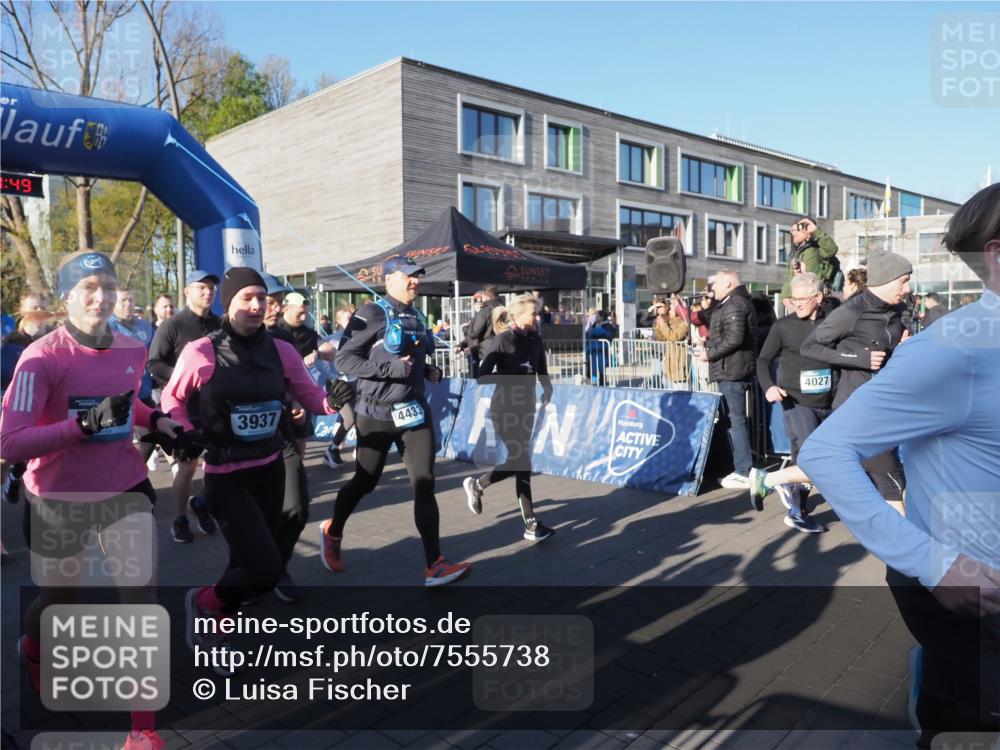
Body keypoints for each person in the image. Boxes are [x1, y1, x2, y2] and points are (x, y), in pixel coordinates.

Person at [799, 182, 1000, 749]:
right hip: (977, 600)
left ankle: (934, 689)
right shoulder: (955, 349)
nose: (907, 285)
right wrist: (931, 564)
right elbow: (824, 452)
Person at [1, 251, 183, 750]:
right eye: (88, 288)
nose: (101, 297)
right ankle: (34, 647)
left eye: (106, 285)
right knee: (62, 599)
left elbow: (130, 405)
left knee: (141, 599)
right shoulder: (41, 358)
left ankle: (142, 730)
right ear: (66, 299)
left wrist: (159, 421)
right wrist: (81, 426)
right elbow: (10, 442)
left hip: (124, 486)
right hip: (58, 496)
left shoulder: (131, 347)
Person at [161, 268, 352, 651]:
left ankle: (218, 623)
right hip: (225, 474)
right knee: (264, 569)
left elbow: (310, 395)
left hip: (269, 468)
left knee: (247, 557)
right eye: (245, 298)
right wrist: (182, 430)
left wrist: (333, 400)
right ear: (228, 303)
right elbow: (172, 400)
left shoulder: (281, 351)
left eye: (260, 298)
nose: (254, 305)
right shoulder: (201, 351)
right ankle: (202, 602)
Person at [319, 256, 470, 587]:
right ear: (389, 280)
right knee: (366, 481)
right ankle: (333, 530)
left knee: (425, 482)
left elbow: (416, 358)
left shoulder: (416, 315)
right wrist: (390, 370)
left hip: (414, 412)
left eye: (417, 276)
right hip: (374, 413)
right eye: (409, 276)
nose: (415, 281)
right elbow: (344, 358)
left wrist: (429, 370)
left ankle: (434, 564)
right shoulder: (371, 313)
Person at [800, 248, 912, 515]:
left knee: (838, 463)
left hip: (884, 401)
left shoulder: (898, 309)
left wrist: (905, 347)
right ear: (885, 280)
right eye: (903, 281)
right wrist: (858, 357)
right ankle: (903, 551)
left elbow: (889, 353)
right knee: (892, 482)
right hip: (857, 405)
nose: (908, 288)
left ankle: (769, 480)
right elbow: (810, 346)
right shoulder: (851, 311)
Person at [462, 295, 555, 541]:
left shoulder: (535, 338)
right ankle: (530, 524)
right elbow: (482, 377)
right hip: (504, 409)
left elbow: (541, 368)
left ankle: (479, 485)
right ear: (518, 316)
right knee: (521, 461)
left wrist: (547, 389)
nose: (537, 317)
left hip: (526, 408)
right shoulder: (502, 341)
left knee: (521, 463)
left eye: (538, 313)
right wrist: (514, 374)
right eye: (533, 314)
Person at [748, 273, 832, 533]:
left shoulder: (833, 323)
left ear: (818, 298)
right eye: (793, 299)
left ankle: (797, 511)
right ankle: (774, 481)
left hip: (829, 402)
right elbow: (762, 360)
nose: (797, 304)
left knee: (802, 459)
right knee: (814, 457)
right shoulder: (783, 326)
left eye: (803, 299)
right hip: (795, 402)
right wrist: (769, 386)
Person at [147, 269, 221, 543]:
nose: (208, 291)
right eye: (201, 287)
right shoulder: (172, 325)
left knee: (222, 463)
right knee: (188, 466)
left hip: (215, 407)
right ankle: (180, 518)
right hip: (183, 405)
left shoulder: (221, 324)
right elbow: (153, 363)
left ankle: (200, 503)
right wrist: (184, 379)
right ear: (187, 292)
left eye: (211, 287)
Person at [693, 270, 758, 488]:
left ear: (729, 283)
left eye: (716, 284)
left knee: (736, 420)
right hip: (730, 369)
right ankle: (740, 466)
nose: (713, 289)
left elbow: (734, 338)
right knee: (733, 420)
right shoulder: (731, 302)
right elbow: (720, 329)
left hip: (733, 371)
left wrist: (709, 354)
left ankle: (743, 470)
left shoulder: (736, 303)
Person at [108, 288, 158, 467]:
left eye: (130, 300)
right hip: (117, 395)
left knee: (151, 437)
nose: (128, 304)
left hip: (143, 393)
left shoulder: (145, 326)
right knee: (121, 440)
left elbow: (155, 356)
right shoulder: (106, 327)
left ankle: (132, 472)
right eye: (123, 301)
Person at [781, 216, 839, 306]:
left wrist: (816, 231)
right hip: (796, 301)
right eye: (792, 231)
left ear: (808, 231)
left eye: (796, 230)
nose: (793, 234)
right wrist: (784, 298)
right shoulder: (795, 253)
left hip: (815, 301)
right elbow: (789, 278)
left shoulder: (817, 249)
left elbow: (831, 249)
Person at [457, 285, 501, 378]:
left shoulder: (484, 312)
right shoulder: (503, 309)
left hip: (485, 351)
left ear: (485, 296)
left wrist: (465, 328)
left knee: (482, 380)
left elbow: (474, 333)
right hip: (501, 348)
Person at [647, 296, 689, 388]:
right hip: (670, 362)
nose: (669, 311)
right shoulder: (669, 322)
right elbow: (662, 339)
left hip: (679, 362)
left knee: (681, 389)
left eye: (671, 309)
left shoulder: (683, 322)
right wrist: (658, 327)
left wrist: (663, 326)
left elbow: (674, 337)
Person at [585, 309, 616, 386]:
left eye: (597, 316)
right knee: (592, 368)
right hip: (593, 350)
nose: (596, 317)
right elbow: (589, 334)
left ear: (602, 317)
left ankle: (602, 383)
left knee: (601, 369)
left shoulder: (607, 326)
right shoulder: (594, 324)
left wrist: (593, 332)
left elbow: (608, 334)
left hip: (601, 350)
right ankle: (594, 382)